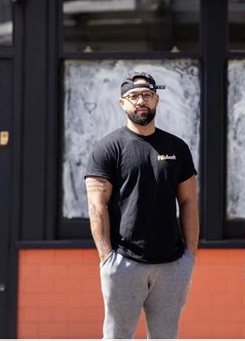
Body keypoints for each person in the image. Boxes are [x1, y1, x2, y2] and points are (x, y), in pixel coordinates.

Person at [85, 71, 199, 339]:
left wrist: (190, 256)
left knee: (165, 337)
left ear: (156, 100)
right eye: (133, 96)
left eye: (147, 95)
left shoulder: (177, 147)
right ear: (122, 103)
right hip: (124, 262)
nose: (140, 101)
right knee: (117, 336)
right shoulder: (108, 148)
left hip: (172, 264)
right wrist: (107, 259)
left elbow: (189, 202)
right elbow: (97, 206)